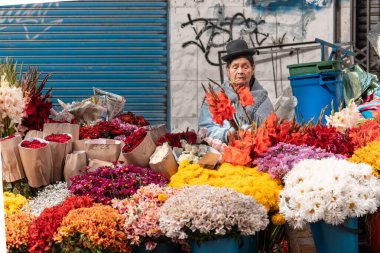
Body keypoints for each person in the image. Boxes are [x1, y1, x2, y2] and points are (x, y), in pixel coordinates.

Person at [198, 39, 274, 143]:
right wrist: (228, 135)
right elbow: (205, 130)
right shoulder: (215, 97)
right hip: (222, 152)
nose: (240, 71)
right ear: (228, 70)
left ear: (253, 69)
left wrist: (250, 134)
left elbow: (271, 129)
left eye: (245, 67)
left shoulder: (262, 98)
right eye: (235, 67)